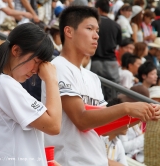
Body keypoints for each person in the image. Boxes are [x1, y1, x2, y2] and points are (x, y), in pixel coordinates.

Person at [41, 5, 160, 166]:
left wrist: (141, 115)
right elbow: (81, 120)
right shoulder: (58, 67)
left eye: (97, 30)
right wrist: (126, 108)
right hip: (69, 161)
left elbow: (102, 126)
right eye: (90, 28)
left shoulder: (92, 77)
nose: (96, 35)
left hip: (96, 160)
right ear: (68, 32)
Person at [0, 23, 62, 166]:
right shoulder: (5, 85)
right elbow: (53, 125)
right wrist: (51, 79)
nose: (37, 70)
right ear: (16, 50)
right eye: (36, 61)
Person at [91, 0, 122, 100]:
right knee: (113, 93)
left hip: (95, 61)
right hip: (111, 62)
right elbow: (119, 44)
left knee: (96, 91)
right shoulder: (116, 25)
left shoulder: (93, 25)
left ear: (98, 9)